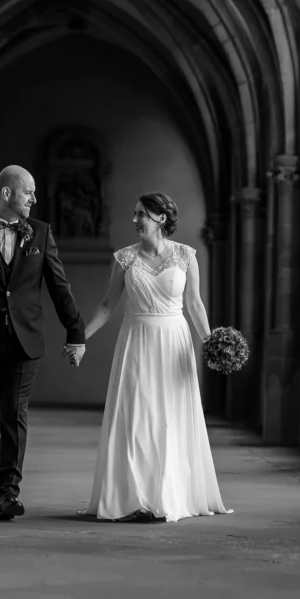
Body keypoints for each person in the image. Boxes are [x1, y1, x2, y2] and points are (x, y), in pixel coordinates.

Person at [80, 192, 232, 522]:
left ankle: (169, 496)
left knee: (171, 419)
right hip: (136, 341)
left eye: (141, 214)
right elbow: (108, 306)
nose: (135, 220)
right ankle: (135, 498)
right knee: (137, 418)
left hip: (174, 342)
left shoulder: (186, 255)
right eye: (135, 214)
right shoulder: (123, 259)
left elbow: (194, 304)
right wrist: (80, 338)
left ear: (160, 218)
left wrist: (212, 343)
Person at [0, 165, 86, 521]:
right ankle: (0, 487)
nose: (34, 199)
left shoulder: (40, 233)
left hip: (25, 341)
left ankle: (8, 490)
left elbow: (59, 285)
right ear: (7, 194)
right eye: (28, 192)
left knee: (14, 413)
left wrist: (76, 331)